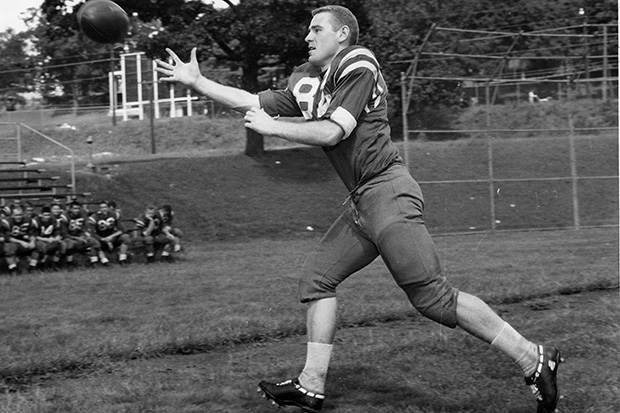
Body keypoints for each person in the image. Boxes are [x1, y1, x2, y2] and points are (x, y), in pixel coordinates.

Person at [155, 5, 561, 413]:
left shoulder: (358, 62)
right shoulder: (311, 79)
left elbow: (333, 130)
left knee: (432, 298)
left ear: (343, 34)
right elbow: (251, 100)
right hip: (362, 201)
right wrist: (198, 81)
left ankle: (532, 357)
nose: (307, 37)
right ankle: (310, 384)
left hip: (388, 191)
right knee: (317, 280)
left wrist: (273, 128)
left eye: (316, 29)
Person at [88, 200, 130, 265]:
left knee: (126, 237)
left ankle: (122, 259)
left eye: (105, 207)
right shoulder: (94, 217)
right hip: (100, 239)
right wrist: (104, 240)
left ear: (108, 207)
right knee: (94, 242)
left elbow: (122, 230)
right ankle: (100, 261)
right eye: (102, 207)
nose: (104, 209)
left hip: (112, 238)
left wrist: (111, 237)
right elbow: (92, 234)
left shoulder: (114, 214)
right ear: (99, 209)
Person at [2, 205, 38, 274]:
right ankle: (13, 269)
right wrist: (21, 242)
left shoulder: (28, 220)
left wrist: (32, 241)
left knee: (38, 245)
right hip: (12, 242)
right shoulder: (7, 222)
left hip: (25, 242)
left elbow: (32, 233)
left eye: (20, 215)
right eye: (16, 215)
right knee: (9, 248)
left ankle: (32, 267)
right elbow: (7, 237)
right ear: (12, 215)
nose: (18, 217)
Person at [65, 200, 99, 267]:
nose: (77, 210)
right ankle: (69, 263)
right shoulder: (65, 216)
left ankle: (94, 262)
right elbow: (64, 233)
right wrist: (77, 238)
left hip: (79, 236)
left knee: (93, 241)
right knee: (71, 243)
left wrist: (83, 236)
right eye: (75, 208)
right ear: (71, 209)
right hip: (68, 237)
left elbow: (84, 228)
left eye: (78, 208)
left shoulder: (82, 216)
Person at [33, 205, 63, 271]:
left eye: (49, 215)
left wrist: (56, 237)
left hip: (50, 239)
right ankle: (41, 265)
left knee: (62, 245)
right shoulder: (36, 221)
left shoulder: (53, 220)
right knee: (44, 247)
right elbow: (34, 236)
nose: (47, 217)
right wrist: (46, 239)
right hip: (39, 240)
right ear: (41, 215)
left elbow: (57, 231)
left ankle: (54, 263)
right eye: (45, 215)